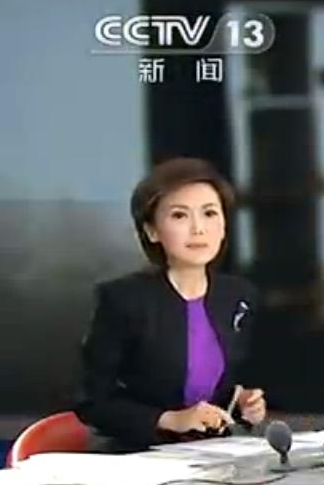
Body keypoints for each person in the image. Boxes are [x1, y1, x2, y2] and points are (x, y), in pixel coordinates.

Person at [75, 157, 267, 449]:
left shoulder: (238, 296)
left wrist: (241, 401)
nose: (198, 229)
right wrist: (170, 419)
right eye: (180, 216)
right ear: (152, 231)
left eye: (209, 213)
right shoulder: (123, 299)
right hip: (137, 455)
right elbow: (91, 401)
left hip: (212, 452)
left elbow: (209, 385)